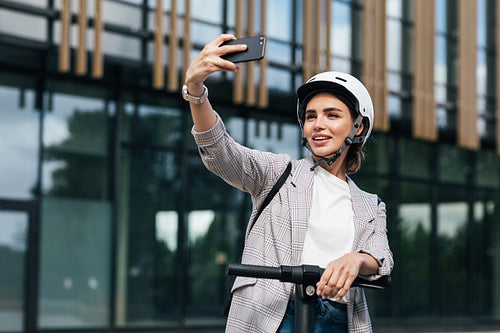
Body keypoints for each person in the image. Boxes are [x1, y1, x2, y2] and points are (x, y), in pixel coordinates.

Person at [182, 34, 393, 333]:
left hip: (338, 318)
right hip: (272, 315)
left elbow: (380, 256)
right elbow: (220, 151)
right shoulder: (278, 174)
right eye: (311, 116)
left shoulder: (369, 204)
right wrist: (195, 90)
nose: (318, 124)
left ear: (357, 126)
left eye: (332, 115)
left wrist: (356, 260)